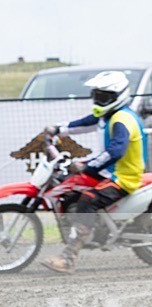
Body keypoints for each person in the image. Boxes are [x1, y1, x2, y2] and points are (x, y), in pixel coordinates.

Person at [41, 70, 148, 274]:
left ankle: (68, 258)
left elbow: (115, 152)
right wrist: (57, 129)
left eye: (104, 96)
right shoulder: (108, 115)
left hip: (122, 177)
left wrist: (87, 166)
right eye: (97, 95)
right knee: (70, 185)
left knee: (88, 199)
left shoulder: (122, 120)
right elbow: (84, 123)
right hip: (108, 172)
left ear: (118, 96)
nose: (99, 99)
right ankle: (90, 230)